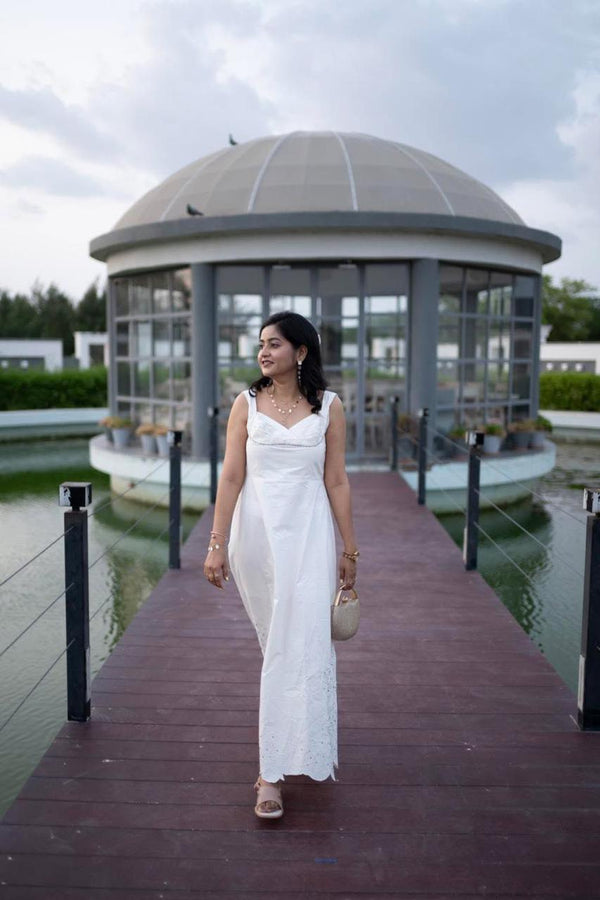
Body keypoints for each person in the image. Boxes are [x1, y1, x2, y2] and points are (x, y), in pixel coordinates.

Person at [203, 311, 358, 819]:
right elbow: (230, 478)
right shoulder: (245, 405)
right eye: (261, 345)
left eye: (274, 344)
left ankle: (271, 772)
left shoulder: (330, 408)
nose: (264, 352)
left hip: (310, 537)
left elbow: (336, 481)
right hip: (257, 539)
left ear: (302, 351)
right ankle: (279, 755)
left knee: (302, 644)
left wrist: (349, 550)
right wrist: (216, 544)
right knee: (279, 646)